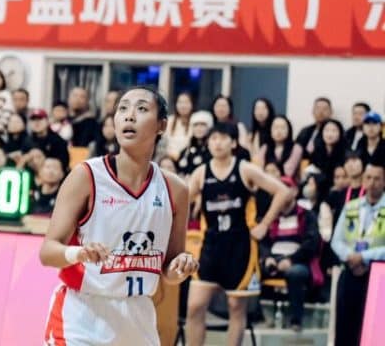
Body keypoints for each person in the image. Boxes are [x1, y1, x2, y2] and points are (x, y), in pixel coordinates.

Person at [39, 86, 197, 346]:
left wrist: (181, 267)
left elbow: (169, 266)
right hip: (82, 315)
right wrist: (77, 253)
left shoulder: (176, 189)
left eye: (142, 108)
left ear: (162, 125)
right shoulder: (86, 176)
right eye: (122, 108)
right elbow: (47, 252)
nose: (129, 116)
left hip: (138, 319)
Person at [185, 122, 291, 346]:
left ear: (233, 143)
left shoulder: (245, 169)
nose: (217, 142)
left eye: (223, 138)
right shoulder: (201, 173)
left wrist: (265, 225)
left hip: (240, 247)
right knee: (195, 306)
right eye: (213, 138)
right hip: (211, 246)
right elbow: (180, 202)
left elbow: (283, 191)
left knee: (236, 307)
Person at [330, 163, 385, 346]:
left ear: (384, 182)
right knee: (345, 328)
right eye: (368, 178)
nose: (372, 183)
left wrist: (365, 256)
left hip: (378, 276)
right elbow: (336, 240)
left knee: (371, 331)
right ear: (362, 181)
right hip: (350, 271)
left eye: (377, 179)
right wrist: (351, 256)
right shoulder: (351, 206)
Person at [259, 176, 321, 331]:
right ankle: (256, 316)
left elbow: (311, 243)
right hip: (273, 259)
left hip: (298, 260)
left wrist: (291, 260)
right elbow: (263, 241)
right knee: (247, 271)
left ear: (294, 191)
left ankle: (296, 320)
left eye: (284, 189)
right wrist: (267, 258)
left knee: (295, 273)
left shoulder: (307, 215)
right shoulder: (271, 216)